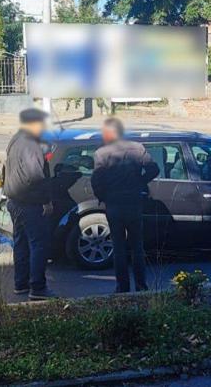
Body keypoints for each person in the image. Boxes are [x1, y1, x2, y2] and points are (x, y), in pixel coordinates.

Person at [91, 118, 160, 293]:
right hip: (134, 203)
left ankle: (122, 287)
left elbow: (96, 180)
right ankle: (141, 285)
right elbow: (154, 169)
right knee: (137, 246)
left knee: (119, 247)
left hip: (114, 204)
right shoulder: (137, 148)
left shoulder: (101, 153)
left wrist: (103, 196)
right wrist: (140, 182)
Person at [4, 108, 56, 301]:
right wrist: (46, 200)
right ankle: (38, 288)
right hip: (31, 203)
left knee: (21, 244)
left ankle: (21, 283)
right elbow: (35, 175)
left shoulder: (16, 139)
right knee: (38, 245)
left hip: (15, 200)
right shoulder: (31, 143)